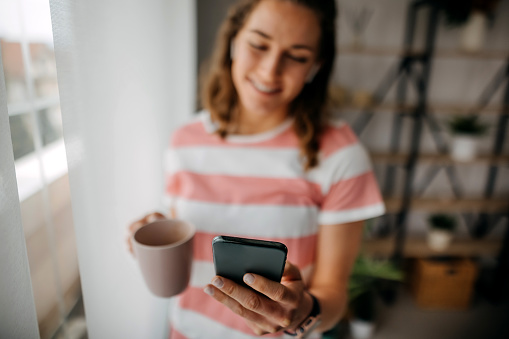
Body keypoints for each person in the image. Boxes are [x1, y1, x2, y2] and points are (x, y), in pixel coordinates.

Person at [127, 0, 385, 338]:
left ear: (316, 66)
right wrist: (156, 232)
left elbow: (333, 295)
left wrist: (304, 313)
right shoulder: (184, 140)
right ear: (233, 40)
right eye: (258, 45)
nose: (269, 71)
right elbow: (189, 233)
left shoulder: (340, 154)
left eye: (297, 56)